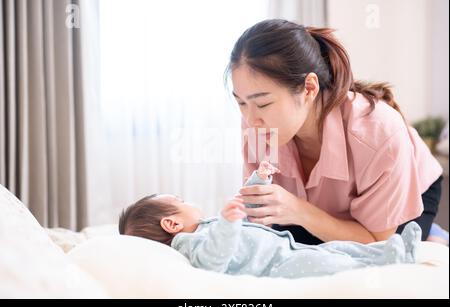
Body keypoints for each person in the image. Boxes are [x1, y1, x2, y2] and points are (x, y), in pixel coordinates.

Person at [227, 19, 443, 245]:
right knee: (294, 246)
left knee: (384, 254)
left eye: (262, 104)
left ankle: (434, 236)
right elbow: (258, 216)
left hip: (408, 194)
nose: (251, 120)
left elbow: (376, 240)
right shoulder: (255, 125)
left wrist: (299, 211)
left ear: (309, 88)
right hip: (321, 204)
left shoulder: (379, 133)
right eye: (241, 103)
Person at [118, 162, 422, 279]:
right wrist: (227, 224)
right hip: (276, 266)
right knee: (335, 266)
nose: (189, 203)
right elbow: (214, 260)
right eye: (181, 203)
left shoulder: (206, 226)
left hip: (285, 249)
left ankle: (390, 253)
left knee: (338, 249)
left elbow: (246, 201)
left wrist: (258, 179)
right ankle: (382, 266)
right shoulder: (190, 243)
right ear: (171, 225)